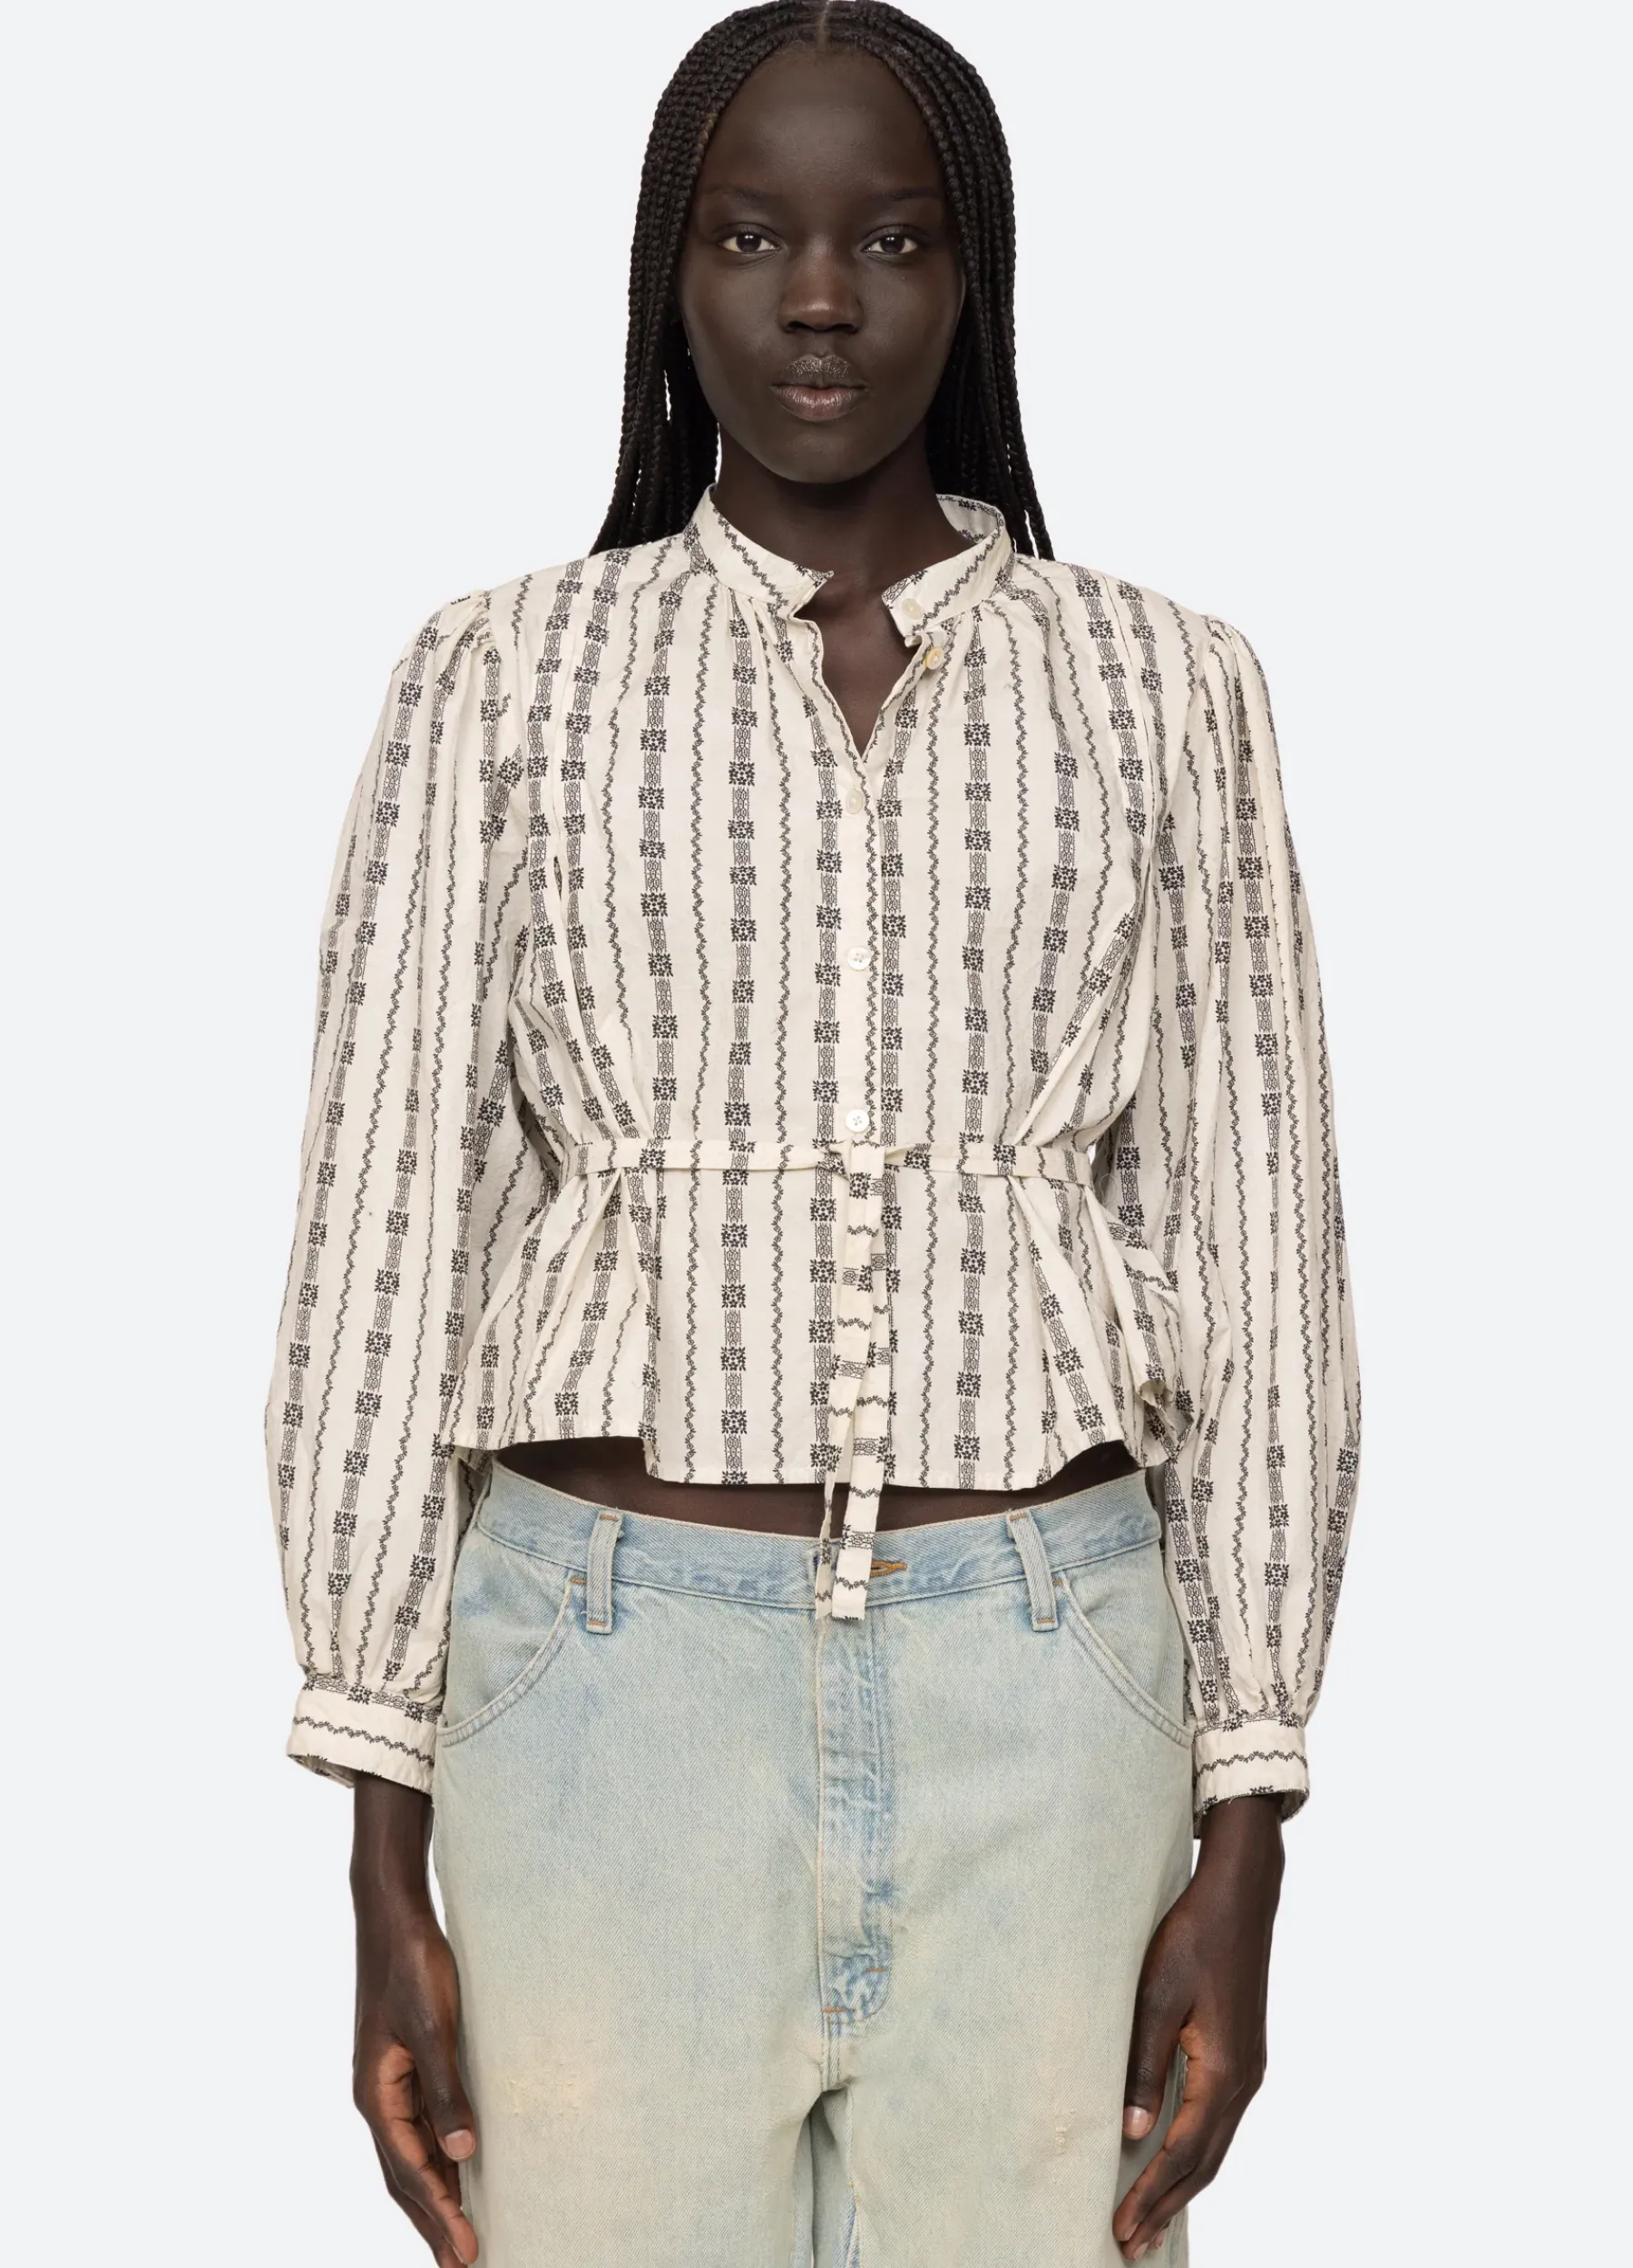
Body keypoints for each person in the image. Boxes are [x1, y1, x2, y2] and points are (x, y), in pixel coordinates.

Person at [264, 5, 1361, 2263]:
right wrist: (380, 1857)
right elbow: (380, 1256)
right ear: (671, 273)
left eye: (895, 239)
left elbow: (1262, 1254)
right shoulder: (504, 675)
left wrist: (1247, 1828)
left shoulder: (1169, 686)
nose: (825, 297)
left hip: (1052, 1678)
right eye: (753, 236)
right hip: (603, 1690)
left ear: (977, 277)